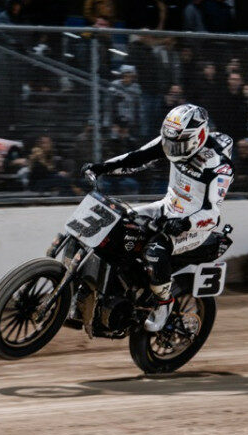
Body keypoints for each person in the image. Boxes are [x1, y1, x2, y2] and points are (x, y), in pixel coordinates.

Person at [81, 104, 233, 332]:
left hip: (193, 226)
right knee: (115, 224)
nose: (171, 149)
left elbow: (212, 214)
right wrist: (102, 168)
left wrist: (183, 223)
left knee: (154, 251)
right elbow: (137, 158)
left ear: (198, 137)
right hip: (167, 207)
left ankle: (164, 304)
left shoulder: (218, 167)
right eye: (168, 142)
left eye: (177, 144)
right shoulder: (175, 141)